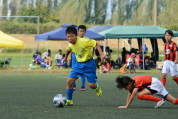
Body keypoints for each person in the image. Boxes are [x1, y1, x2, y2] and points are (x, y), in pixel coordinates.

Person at [63, 26, 105, 106]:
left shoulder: (84, 41)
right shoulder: (70, 44)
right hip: (78, 65)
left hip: (89, 65)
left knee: (91, 85)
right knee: (69, 82)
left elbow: (96, 44)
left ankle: (96, 87)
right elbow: (69, 49)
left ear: (76, 35)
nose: (70, 38)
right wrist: (65, 57)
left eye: (71, 36)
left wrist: (101, 54)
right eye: (68, 37)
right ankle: (69, 100)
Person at [72, 25, 92, 91]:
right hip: (74, 55)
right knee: (74, 70)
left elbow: (90, 47)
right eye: (80, 31)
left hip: (82, 57)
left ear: (85, 32)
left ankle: (82, 86)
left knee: (83, 71)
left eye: (83, 31)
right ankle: (73, 85)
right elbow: (71, 48)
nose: (81, 33)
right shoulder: (75, 39)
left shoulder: (87, 40)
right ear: (78, 31)